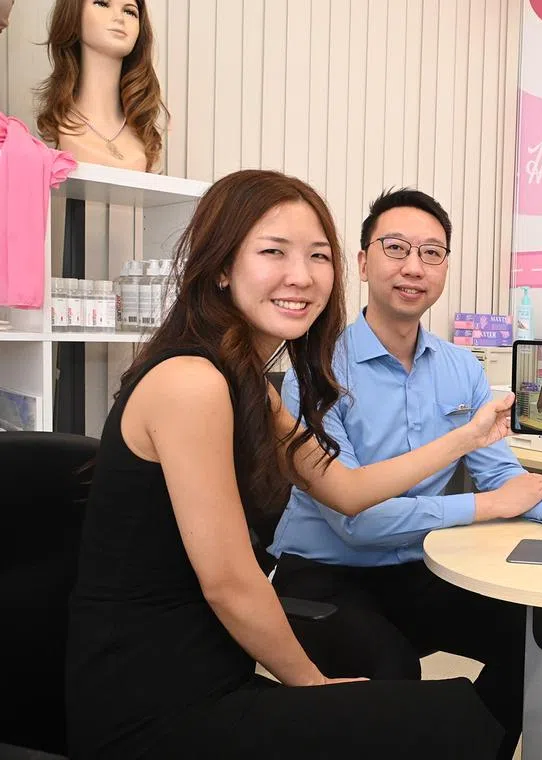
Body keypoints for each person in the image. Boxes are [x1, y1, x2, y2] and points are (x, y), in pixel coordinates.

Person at [65, 170, 512, 759]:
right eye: (273, 252)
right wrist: (312, 686)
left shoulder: (251, 384)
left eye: (316, 256)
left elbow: (347, 490)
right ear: (222, 266)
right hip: (152, 696)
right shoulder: (191, 382)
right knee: (451, 723)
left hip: (213, 666)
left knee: (461, 700)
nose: (301, 277)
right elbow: (229, 582)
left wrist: (467, 438)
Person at [268, 187, 542, 760]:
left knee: (540, 636)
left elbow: (499, 472)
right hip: (325, 573)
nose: (413, 267)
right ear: (362, 264)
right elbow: (357, 521)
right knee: (389, 668)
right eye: (395, 248)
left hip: (418, 565)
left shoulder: (461, 367)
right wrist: (487, 508)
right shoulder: (315, 371)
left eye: (432, 253)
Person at [36, 0, 167, 172]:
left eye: (130, 12)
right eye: (102, 3)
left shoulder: (142, 138)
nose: (119, 18)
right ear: (73, 15)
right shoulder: (60, 131)